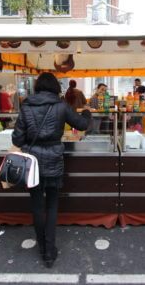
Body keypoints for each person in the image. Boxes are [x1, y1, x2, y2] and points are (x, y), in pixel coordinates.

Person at [12, 72, 91, 268]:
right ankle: (50, 251)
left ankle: (42, 250)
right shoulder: (61, 106)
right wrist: (87, 111)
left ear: (37, 87)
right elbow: (82, 124)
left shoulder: (26, 106)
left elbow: (17, 139)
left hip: (32, 162)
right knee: (52, 205)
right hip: (54, 160)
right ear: (56, 87)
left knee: (38, 206)